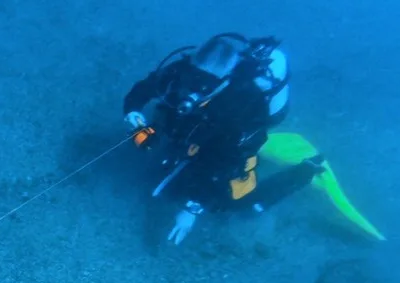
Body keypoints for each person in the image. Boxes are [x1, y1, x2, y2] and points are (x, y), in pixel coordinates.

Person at [122, 33, 325, 244]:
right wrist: (133, 114)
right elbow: (143, 89)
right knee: (172, 122)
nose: (195, 89)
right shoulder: (180, 73)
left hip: (232, 136)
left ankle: (305, 171)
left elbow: (227, 161)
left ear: (225, 80)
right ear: (192, 64)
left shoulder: (243, 105)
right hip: (205, 120)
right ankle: (186, 151)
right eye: (195, 77)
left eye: (206, 84)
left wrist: (192, 208)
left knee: (233, 201)